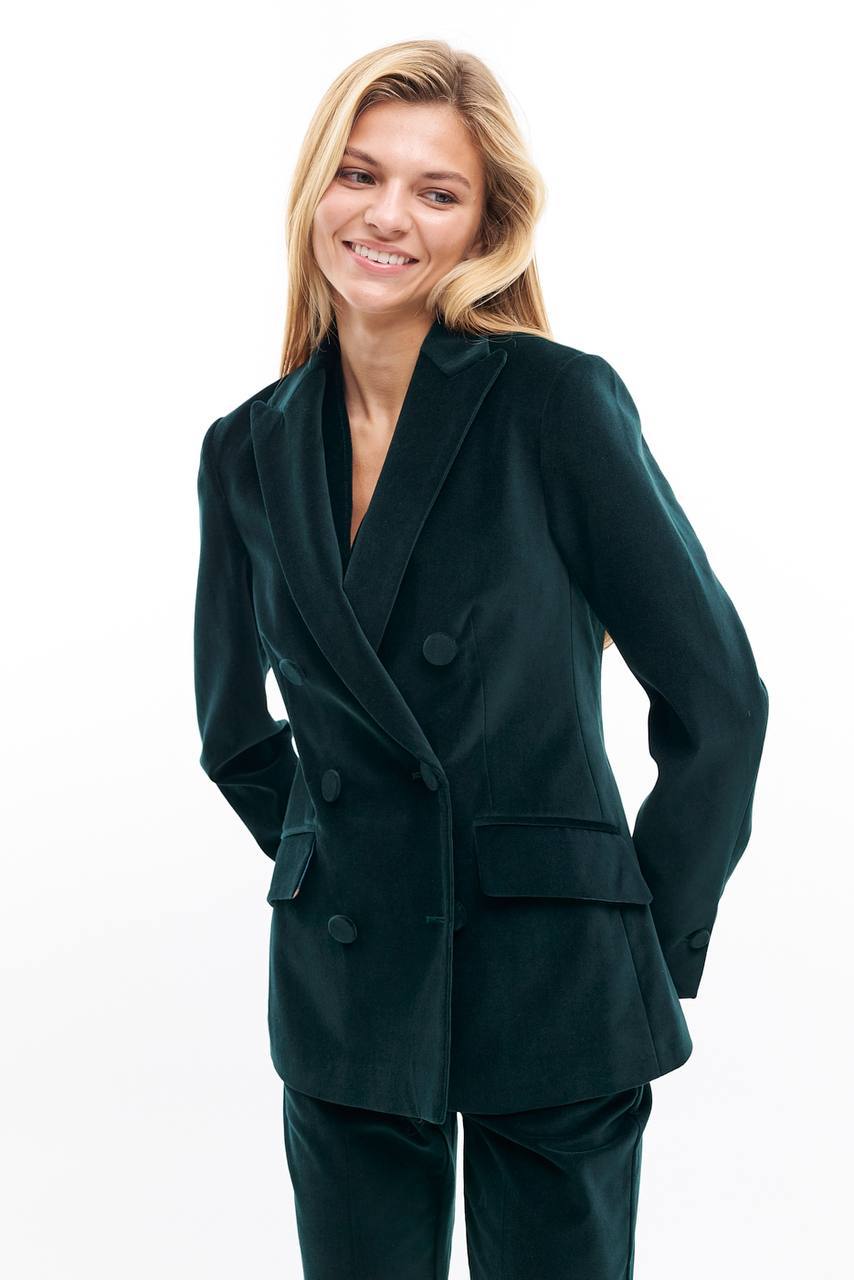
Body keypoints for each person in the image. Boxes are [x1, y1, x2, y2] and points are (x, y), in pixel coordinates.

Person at [193, 39, 769, 1280]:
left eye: (435, 190)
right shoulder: (245, 447)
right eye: (359, 174)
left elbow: (719, 700)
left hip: (556, 973)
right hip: (349, 982)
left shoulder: (553, 401)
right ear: (314, 188)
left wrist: (638, 935)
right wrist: (339, 861)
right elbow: (232, 729)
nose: (385, 216)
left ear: (484, 225)